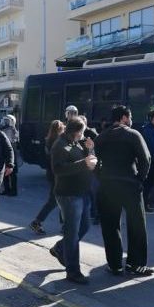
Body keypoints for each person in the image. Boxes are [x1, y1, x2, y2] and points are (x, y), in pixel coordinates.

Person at [96, 105, 154, 276]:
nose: (131, 120)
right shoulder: (133, 134)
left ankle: (115, 264)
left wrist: (101, 177)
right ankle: (136, 264)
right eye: (129, 117)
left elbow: (93, 160)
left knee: (110, 226)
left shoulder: (101, 136)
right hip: (129, 185)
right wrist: (139, 179)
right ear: (123, 118)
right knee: (137, 225)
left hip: (107, 186)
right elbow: (146, 159)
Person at [48, 118, 97, 284]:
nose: (83, 135)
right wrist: (83, 164)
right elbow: (58, 169)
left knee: (84, 227)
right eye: (82, 131)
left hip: (83, 192)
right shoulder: (60, 145)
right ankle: (73, 271)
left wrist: (91, 150)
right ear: (74, 131)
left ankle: (60, 248)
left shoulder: (78, 142)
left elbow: (89, 160)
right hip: (68, 194)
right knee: (72, 232)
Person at [30, 120, 65, 235]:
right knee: (55, 201)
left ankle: (64, 224)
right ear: (59, 130)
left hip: (51, 173)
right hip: (57, 174)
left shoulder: (49, 140)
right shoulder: (58, 142)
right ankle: (37, 221)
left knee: (59, 200)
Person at [0, 115, 19, 197]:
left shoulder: (14, 130)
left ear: (12, 121)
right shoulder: (3, 129)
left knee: (12, 173)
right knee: (4, 173)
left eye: (7, 121)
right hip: (4, 153)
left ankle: (14, 191)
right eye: (5, 121)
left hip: (12, 154)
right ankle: (6, 189)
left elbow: (14, 141)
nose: (6, 122)